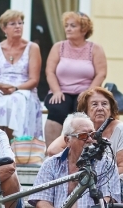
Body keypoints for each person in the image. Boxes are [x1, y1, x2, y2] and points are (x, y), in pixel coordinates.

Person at [46, 87, 123, 208]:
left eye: (105, 104)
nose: (100, 108)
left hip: (116, 179)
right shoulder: (78, 128)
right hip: (88, 180)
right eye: (95, 104)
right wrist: (78, 144)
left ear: (111, 108)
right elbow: (52, 150)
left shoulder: (120, 128)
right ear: (85, 110)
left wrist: (101, 176)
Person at [43, 11, 107, 147]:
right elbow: (50, 71)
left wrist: (89, 94)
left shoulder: (95, 49)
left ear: (84, 29)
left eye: (72, 26)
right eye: (66, 25)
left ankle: (84, 151)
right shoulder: (58, 47)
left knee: (81, 114)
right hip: (61, 91)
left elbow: (101, 73)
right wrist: (56, 91)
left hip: (85, 92)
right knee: (57, 109)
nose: (68, 28)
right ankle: (52, 153)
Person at [0, 10, 43, 140]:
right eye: (13, 24)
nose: (18, 26)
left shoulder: (32, 48)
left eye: (20, 23)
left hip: (23, 90)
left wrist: (15, 89)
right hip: (0, 90)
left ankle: (12, 144)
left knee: (16, 100)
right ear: (4, 28)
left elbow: (34, 80)